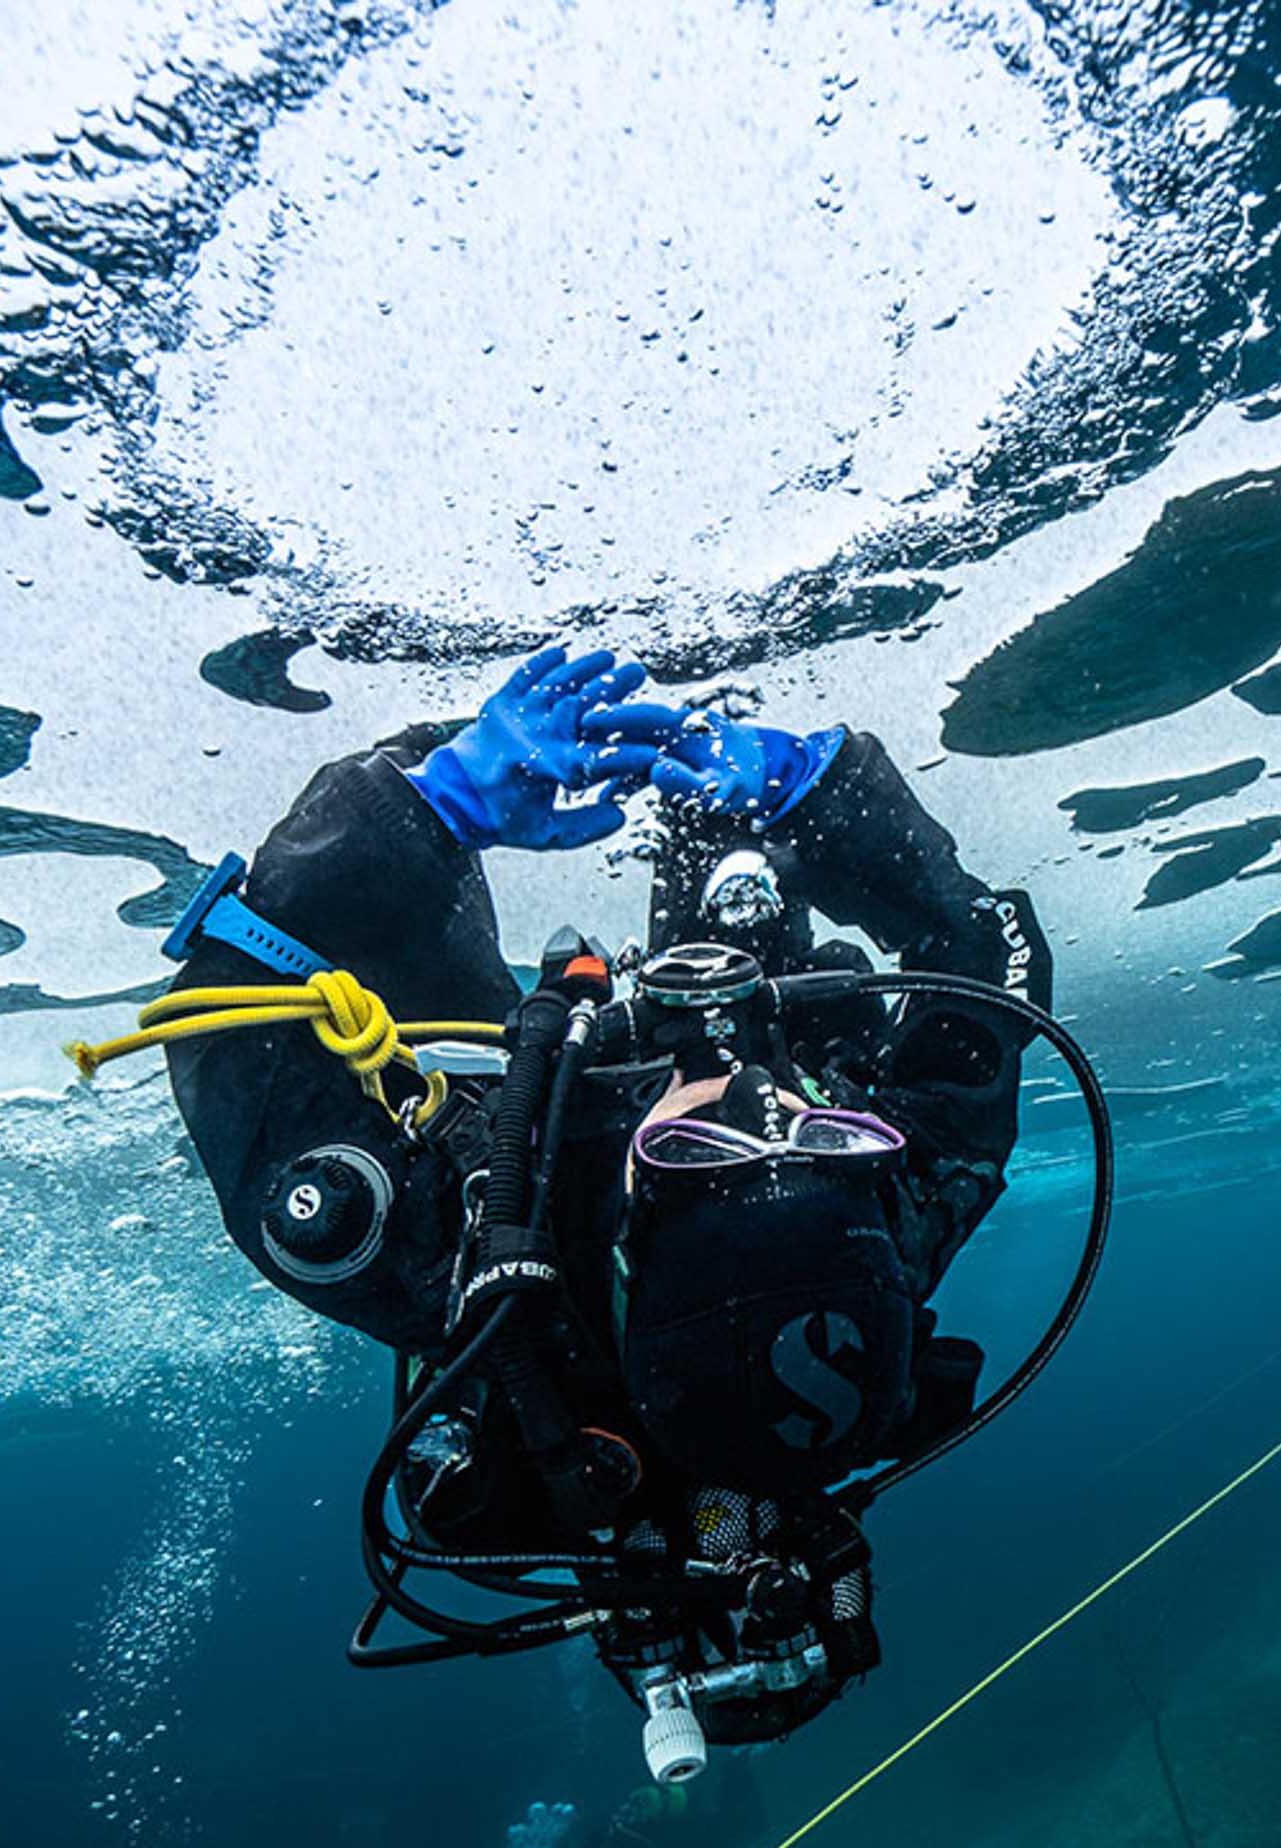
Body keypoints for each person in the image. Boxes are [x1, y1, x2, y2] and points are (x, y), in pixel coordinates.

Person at [161, 647, 1051, 1756]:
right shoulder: (895, 1212)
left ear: (624, 1215)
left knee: (423, 1052)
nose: (764, 1106)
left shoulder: (480, 1270)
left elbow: (230, 1013)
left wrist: (426, 805)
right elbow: (981, 964)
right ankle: (715, 782)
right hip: (772, 1076)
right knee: (743, 886)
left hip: (519, 1113)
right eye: (821, 1136)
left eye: (699, 1148)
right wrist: (823, 792)